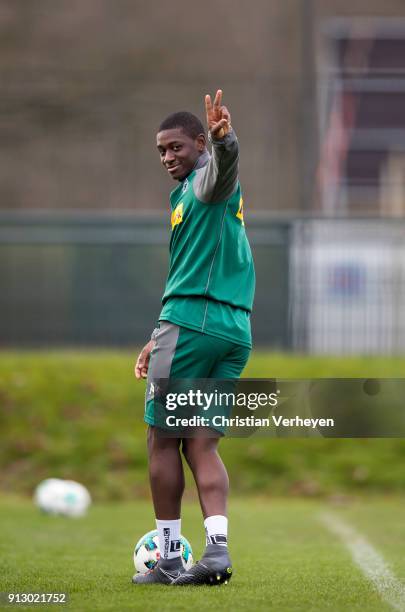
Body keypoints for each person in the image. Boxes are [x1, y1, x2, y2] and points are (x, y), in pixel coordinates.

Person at [133, 90, 255, 586]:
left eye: (176, 147)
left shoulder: (207, 182)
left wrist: (226, 143)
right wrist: (156, 337)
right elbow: (191, 270)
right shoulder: (186, 196)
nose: (167, 157)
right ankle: (217, 552)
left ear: (199, 143)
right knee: (202, 443)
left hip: (192, 328)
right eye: (161, 150)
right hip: (231, 331)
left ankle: (167, 559)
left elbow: (222, 168)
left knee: (162, 440)